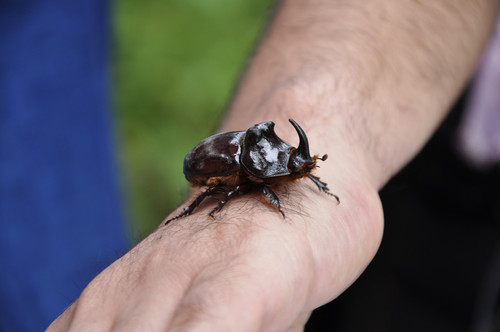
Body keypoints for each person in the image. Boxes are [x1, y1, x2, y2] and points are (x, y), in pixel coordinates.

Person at [48, 0, 500, 331]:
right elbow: (225, 187)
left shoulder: (274, 165)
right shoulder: (243, 169)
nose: (299, 170)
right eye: (291, 165)